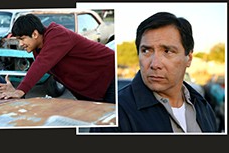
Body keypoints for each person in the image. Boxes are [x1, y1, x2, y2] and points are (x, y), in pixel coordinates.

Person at [89, 12, 217, 133]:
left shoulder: (203, 107)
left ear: (188, 58)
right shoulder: (113, 116)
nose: (155, 64)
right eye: (146, 51)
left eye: (167, 51)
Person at [0, 14, 115, 103]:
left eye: (22, 39)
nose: (21, 44)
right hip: (92, 89)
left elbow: (41, 63)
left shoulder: (57, 35)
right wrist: (18, 93)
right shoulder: (37, 49)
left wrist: (21, 90)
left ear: (34, 34)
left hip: (110, 77)